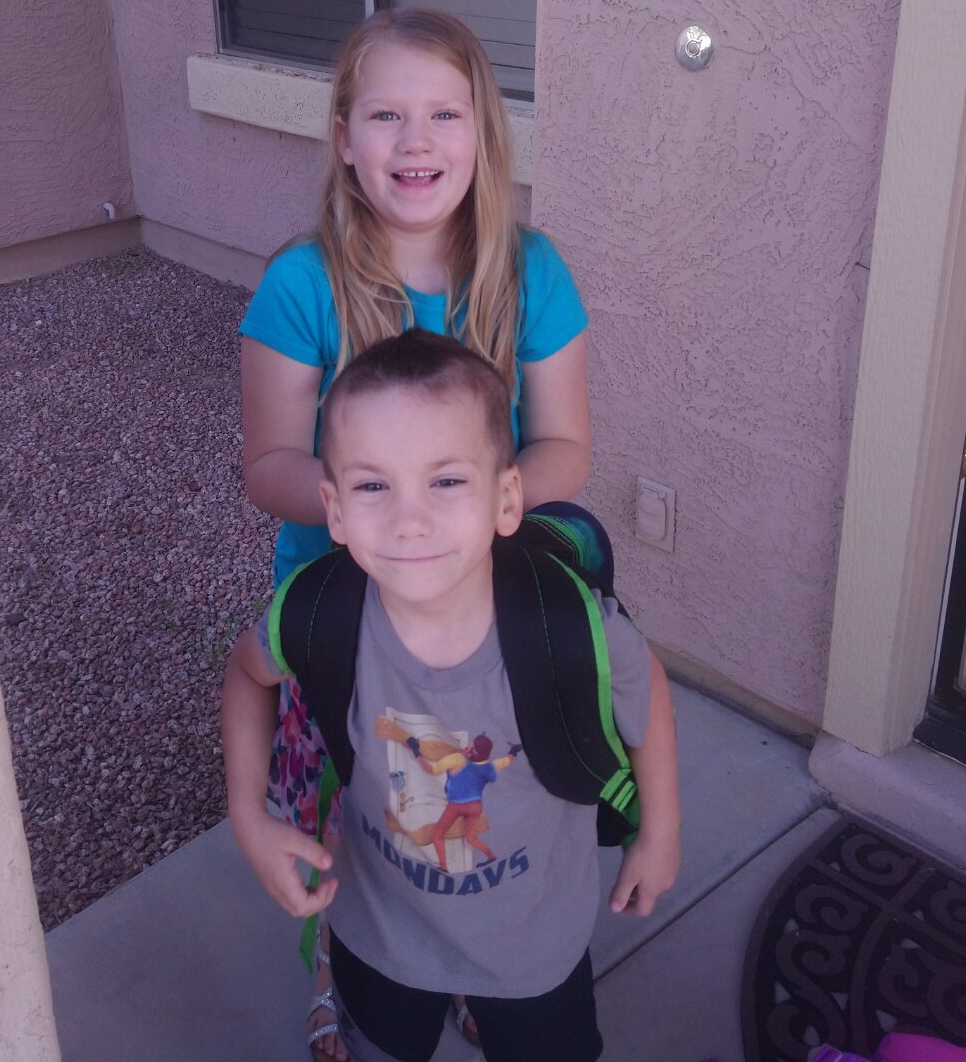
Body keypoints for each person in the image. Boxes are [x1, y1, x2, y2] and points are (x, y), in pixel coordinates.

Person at [237, 7, 592, 1056]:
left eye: (445, 113)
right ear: (345, 138)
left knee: (464, 806)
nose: (416, 139)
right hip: (346, 602)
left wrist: (475, 523)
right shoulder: (301, 284)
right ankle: (340, 959)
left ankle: (470, 958)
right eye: (386, 115)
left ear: (483, 134)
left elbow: (565, 445)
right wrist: (384, 519)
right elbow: (268, 465)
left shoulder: (532, 272)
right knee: (352, 806)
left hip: (481, 593)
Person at [222, 331, 682, 1062]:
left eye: (445, 481)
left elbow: (644, 686)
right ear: (334, 511)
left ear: (507, 499)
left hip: (532, 950)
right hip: (380, 935)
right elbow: (249, 674)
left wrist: (658, 830)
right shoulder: (316, 613)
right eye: (372, 486)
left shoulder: (567, 628)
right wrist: (248, 815)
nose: (409, 519)